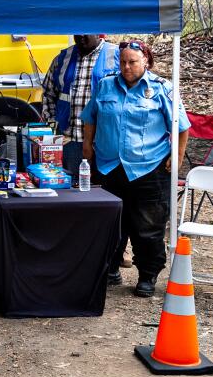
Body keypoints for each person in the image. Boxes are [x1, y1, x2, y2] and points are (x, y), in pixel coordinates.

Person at [81, 40, 189, 298]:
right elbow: (89, 118)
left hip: (148, 168)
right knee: (110, 222)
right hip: (109, 166)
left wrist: (178, 155)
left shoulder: (162, 88)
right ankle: (110, 270)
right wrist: (87, 145)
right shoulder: (106, 85)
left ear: (146, 62)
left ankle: (147, 276)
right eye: (123, 62)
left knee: (148, 226)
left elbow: (182, 127)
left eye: (133, 62)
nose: (127, 67)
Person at [41, 34, 120, 181]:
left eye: (86, 31)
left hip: (103, 141)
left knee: (105, 191)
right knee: (74, 192)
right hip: (70, 139)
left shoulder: (117, 55)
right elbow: (48, 93)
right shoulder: (63, 58)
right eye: (77, 32)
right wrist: (52, 127)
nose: (81, 36)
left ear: (98, 32)